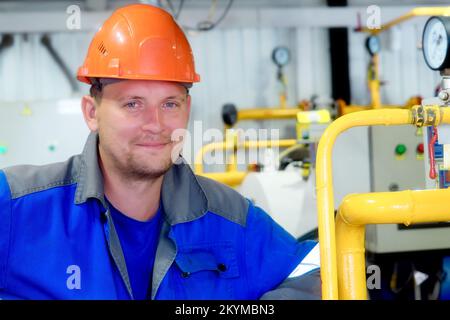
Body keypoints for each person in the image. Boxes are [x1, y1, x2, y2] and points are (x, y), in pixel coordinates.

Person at [0, 4, 320, 300]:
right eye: (133, 104)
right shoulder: (17, 207)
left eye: (169, 104)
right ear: (91, 112)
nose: (155, 124)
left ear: (187, 108)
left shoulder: (230, 218)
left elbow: (315, 268)